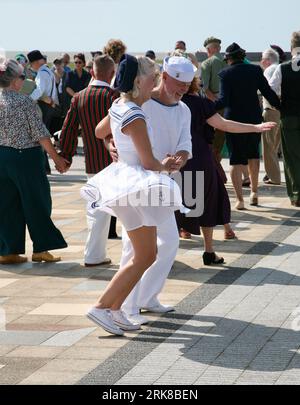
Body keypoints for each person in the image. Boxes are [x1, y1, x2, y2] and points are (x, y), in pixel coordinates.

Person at [81, 55, 182, 335]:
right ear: (139, 82)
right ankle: (102, 307)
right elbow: (149, 162)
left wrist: (114, 143)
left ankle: (115, 309)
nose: (156, 83)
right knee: (144, 255)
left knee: (146, 254)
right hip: (135, 184)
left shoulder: (119, 105)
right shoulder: (134, 113)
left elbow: (101, 130)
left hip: (126, 182)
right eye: (153, 78)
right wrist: (167, 165)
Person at [103, 56, 195, 324]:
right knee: (134, 249)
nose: (182, 90)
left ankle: (146, 297)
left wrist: (181, 156)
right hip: (140, 182)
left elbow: (185, 141)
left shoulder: (184, 110)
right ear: (163, 78)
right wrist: (112, 144)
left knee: (169, 242)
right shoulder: (137, 104)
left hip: (161, 183)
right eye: (178, 84)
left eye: (187, 86)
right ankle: (125, 308)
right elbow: (106, 129)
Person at [176, 76, 277, 265]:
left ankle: (168, 255)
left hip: (172, 160)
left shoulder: (163, 103)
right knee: (206, 203)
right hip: (198, 157)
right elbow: (224, 125)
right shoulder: (201, 104)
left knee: (173, 205)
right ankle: (208, 251)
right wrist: (254, 127)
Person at [0, 58, 68, 265]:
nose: (25, 79)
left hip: (3, 157)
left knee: (7, 205)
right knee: (37, 202)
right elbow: (40, 134)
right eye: (22, 76)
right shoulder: (24, 101)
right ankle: (41, 248)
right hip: (26, 157)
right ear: (14, 80)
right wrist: (57, 159)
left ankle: (8, 250)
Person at [60, 55, 117, 267]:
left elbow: (69, 129)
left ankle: (93, 255)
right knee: (130, 210)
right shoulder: (114, 96)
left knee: (95, 211)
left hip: (93, 162)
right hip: (117, 162)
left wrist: (65, 156)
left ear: (91, 72)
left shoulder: (79, 97)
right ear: (112, 74)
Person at [215, 43, 280, 210]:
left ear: (229, 59)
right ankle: (254, 193)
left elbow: (224, 101)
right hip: (253, 119)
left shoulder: (225, 74)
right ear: (242, 56)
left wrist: (205, 108)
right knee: (253, 156)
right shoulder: (255, 70)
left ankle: (239, 200)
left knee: (235, 159)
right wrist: (282, 107)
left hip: (234, 121)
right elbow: (268, 93)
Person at [269, 32, 300, 206]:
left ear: (291, 48)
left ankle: (297, 195)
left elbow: (270, 89)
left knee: (291, 157)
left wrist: (279, 105)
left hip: (289, 116)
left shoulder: (283, 67)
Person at [27, 49, 60, 174]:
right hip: (49, 106)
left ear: (36, 62)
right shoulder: (48, 71)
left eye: (31, 63)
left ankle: (44, 167)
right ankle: (45, 167)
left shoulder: (42, 73)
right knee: (42, 136)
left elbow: (39, 91)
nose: (31, 66)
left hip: (44, 107)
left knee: (41, 137)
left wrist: (27, 100)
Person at [201, 37, 227, 184]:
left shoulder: (207, 63)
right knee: (220, 143)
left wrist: (215, 101)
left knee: (210, 143)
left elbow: (205, 88)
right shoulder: (227, 62)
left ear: (209, 50)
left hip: (213, 107)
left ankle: (216, 173)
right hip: (228, 106)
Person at [260, 48, 281, 185]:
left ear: (267, 60)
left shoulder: (268, 70)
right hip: (282, 110)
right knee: (276, 145)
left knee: (268, 146)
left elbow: (268, 89)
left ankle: (273, 177)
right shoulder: (281, 68)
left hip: (271, 109)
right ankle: (272, 174)